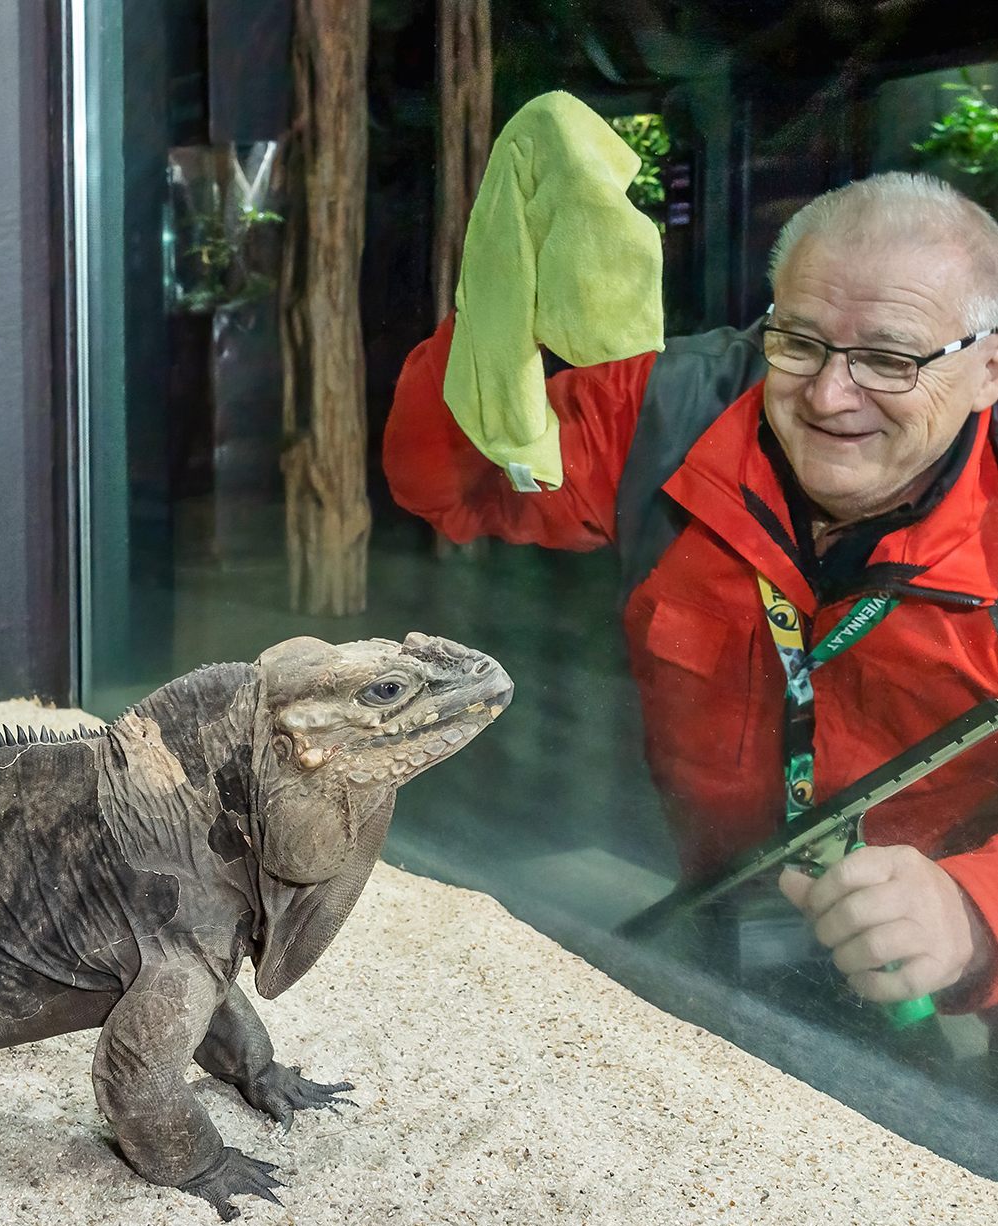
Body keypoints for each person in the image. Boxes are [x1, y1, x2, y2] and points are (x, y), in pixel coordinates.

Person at [382, 172, 998, 1017]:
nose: (828, 395)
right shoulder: (673, 410)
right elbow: (446, 480)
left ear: (988, 369)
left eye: (889, 361)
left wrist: (973, 912)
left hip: (944, 972)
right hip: (712, 909)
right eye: (798, 341)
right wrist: (498, 293)